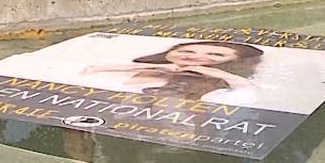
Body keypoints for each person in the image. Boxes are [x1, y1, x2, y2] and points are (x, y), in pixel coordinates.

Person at [82, 41, 263, 101]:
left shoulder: (226, 84)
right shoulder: (149, 71)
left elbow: (247, 94)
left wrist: (213, 73)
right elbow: (90, 72)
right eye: (186, 51)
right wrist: (150, 67)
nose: (192, 57)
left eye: (215, 54)